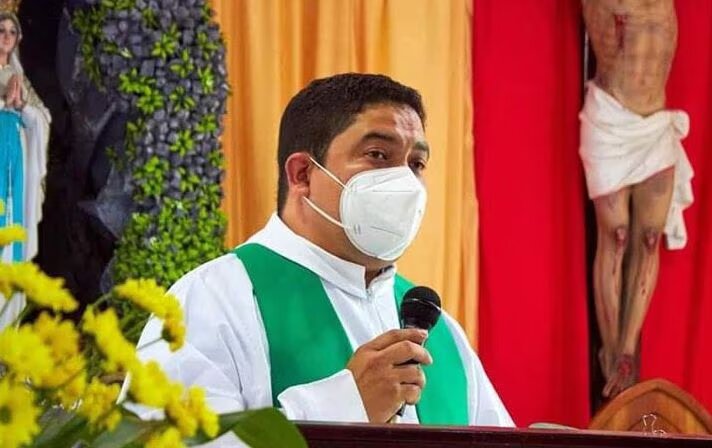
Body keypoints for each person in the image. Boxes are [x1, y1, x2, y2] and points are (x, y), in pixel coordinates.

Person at [130, 74, 513, 437]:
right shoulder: (212, 299)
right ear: (302, 175)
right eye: (378, 155)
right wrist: (345, 405)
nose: (405, 182)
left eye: (416, 164)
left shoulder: (441, 331)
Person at [580, 0, 692, 397]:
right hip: (609, 122)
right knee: (619, 235)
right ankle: (610, 351)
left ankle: (627, 349)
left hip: (655, 124)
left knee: (647, 239)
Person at [0, 10, 51, 328]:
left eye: (11, 32)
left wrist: (22, 108)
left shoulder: (19, 77)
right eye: (0, 30)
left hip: (13, 163)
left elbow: (42, 118)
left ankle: (7, 333)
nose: (5, 36)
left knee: (12, 237)